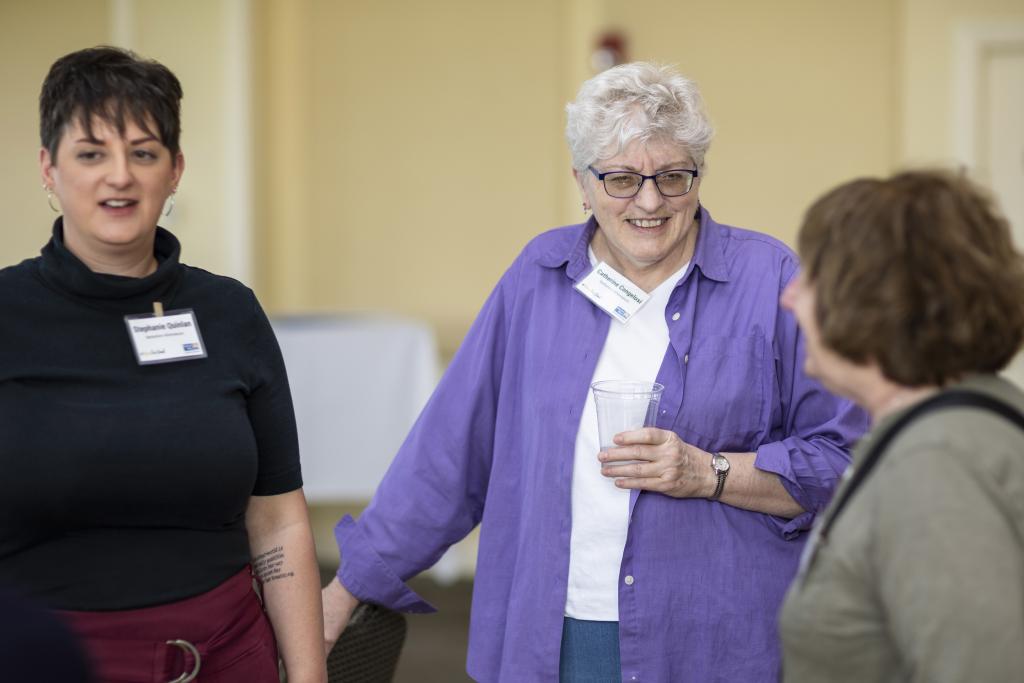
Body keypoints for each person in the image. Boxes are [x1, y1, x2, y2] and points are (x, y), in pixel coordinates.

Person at [322, 62, 866, 682]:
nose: (651, 201)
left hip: (716, 642)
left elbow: (844, 459)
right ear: (581, 182)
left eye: (673, 176)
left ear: (699, 175)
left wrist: (708, 471)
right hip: (553, 635)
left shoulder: (768, 279)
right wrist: (345, 589)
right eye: (621, 179)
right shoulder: (539, 276)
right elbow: (451, 454)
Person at [0, 46, 326, 683]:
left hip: (224, 657)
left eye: (143, 152)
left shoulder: (229, 312)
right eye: (91, 153)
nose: (118, 176)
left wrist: (309, 678)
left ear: (174, 170)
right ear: (49, 168)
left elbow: (278, 518)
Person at [779, 170, 1024, 682]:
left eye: (813, 277)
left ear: (869, 299)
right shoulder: (957, 426)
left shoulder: (934, 466)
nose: (790, 297)